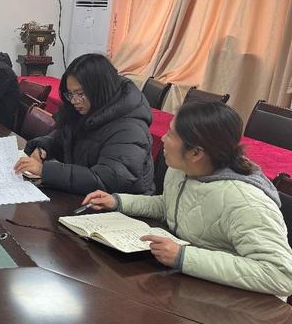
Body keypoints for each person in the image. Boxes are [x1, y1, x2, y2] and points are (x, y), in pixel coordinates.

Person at [82, 101, 292, 298]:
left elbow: (280, 275)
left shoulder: (246, 202)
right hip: (197, 286)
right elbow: (169, 205)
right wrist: (118, 202)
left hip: (244, 307)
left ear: (196, 153)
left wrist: (184, 257)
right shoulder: (182, 170)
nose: (163, 139)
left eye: (171, 135)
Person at [14, 53, 154, 195]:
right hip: (86, 196)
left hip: (119, 204)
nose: (74, 101)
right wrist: (42, 150)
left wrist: (45, 171)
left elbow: (107, 180)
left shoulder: (130, 129)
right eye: (70, 94)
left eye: (80, 94)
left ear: (100, 89)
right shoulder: (86, 111)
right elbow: (62, 138)